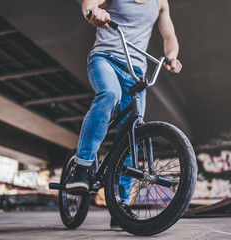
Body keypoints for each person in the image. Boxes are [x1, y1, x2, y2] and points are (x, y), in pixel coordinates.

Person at [66, 0, 182, 225]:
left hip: (136, 70)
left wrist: (172, 56)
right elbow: (89, 2)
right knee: (110, 95)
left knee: (131, 133)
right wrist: (93, 12)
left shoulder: (160, 3)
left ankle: (121, 204)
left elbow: (169, 37)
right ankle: (81, 167)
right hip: (105, 58)